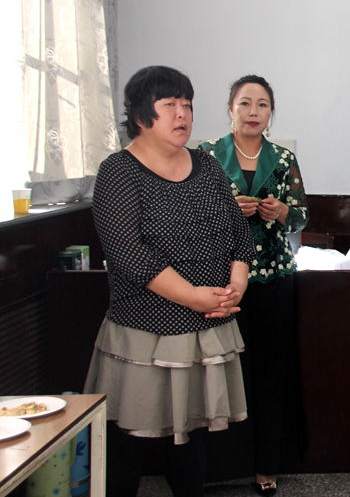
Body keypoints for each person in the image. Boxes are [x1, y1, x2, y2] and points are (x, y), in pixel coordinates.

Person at [85, 66, 255, 497]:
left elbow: (238, 233)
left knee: (192, 435)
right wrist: (193, 297)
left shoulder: (207, 164)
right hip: (146, 332)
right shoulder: (118, 171)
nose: (182, 114)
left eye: (187, 105)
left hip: (208, 326)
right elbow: (129, 254)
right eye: (169, 105)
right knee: (128, 439)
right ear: (141, 115)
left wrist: (236, 285)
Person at [199, 75, 309, 496]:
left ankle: (267, 466)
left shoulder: (282, 158)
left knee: (269, 373)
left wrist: (280, 211)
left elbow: (301, 217)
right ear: (230, 108)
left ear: (270, 113)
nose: (253, 112)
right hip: (220, 281)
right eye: (245, 103)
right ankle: (219, 466)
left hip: (273, 278)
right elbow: (191, 215)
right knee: (221, 371)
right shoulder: (207, 156)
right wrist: (228, 209)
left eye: (262, 105)